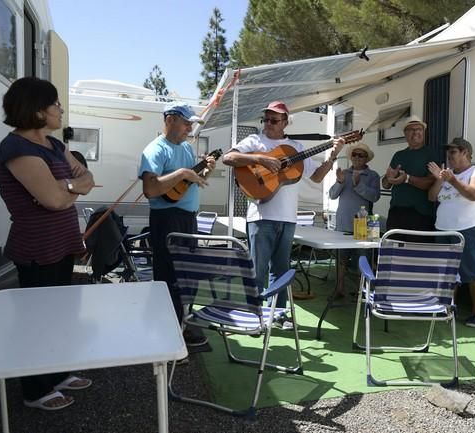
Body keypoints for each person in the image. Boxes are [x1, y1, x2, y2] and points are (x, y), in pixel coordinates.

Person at [0, 77, 95, 410]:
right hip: (36, 247)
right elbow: (53, 199)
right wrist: (69, 187)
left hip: (62, 243)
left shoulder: (53, 145)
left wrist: (65, 187)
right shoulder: (16, 148)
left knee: (61, 315)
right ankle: (35, 390)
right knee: (36, 320)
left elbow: (87, 180)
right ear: (37, 110)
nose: (60, 109)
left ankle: (58, 373)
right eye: (56, 104)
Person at [223, 101, 344, 328]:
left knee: (281, 269)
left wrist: (333, 156)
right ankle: (253, 314)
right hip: (260, 215)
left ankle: (278, 315)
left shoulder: (295, 147)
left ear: (285, 123)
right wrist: (260, 159)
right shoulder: (255, 141)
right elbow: (228, 158)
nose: (268, 123)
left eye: (274, 120)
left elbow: (317, 177)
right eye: (266, 119)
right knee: (258, 269)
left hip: (288, 218)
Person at [138, 103, 217, 348]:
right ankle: (166, 337)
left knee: (186, 276)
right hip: (167, 220)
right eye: (186, 123)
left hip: (186, 218)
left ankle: (180, 326)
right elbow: (151, 190)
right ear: (170, 119)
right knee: (169, 277)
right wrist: (182, 172)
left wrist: (207, 172)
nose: (190, 128)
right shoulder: (155, 149)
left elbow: (191, 183)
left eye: (191, 124)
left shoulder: (184, 147)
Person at [427, 137, 475, 328]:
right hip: (443, 229)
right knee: (447, 273)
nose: (449, 156)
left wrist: (451, 179)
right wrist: (440, 180)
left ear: (465, 153)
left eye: (453, 152)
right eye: (449, 152)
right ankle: (448, 308)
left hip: (468, 229)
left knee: (471, 272)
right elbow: (431, 197)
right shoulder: (447, 174)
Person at [328, 142, 380, 298]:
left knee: (363, 258)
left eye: (361, 155)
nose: (357, 158)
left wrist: (358, 185)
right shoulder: (344, 173)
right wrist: (340, 182)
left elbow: (375, 197)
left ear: (366, 159)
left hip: (366, 224)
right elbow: (332, 195)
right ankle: (339, 289)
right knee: (341, 258)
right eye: (355, 155)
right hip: (344, 222)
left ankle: (362, 291)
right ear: (351, 157)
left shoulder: (373, 176)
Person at [382, 115, 437, 233]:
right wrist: (389, 178)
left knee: (416, 251)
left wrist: (406, 178)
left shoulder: (431, 154)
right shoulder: (398, 155)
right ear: (405, 133)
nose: (416, 132)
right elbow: (385, 185)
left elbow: (431, 183)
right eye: (412, 130)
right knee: (392, 250)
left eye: (419, 129)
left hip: (420, 214)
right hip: (395, 212)